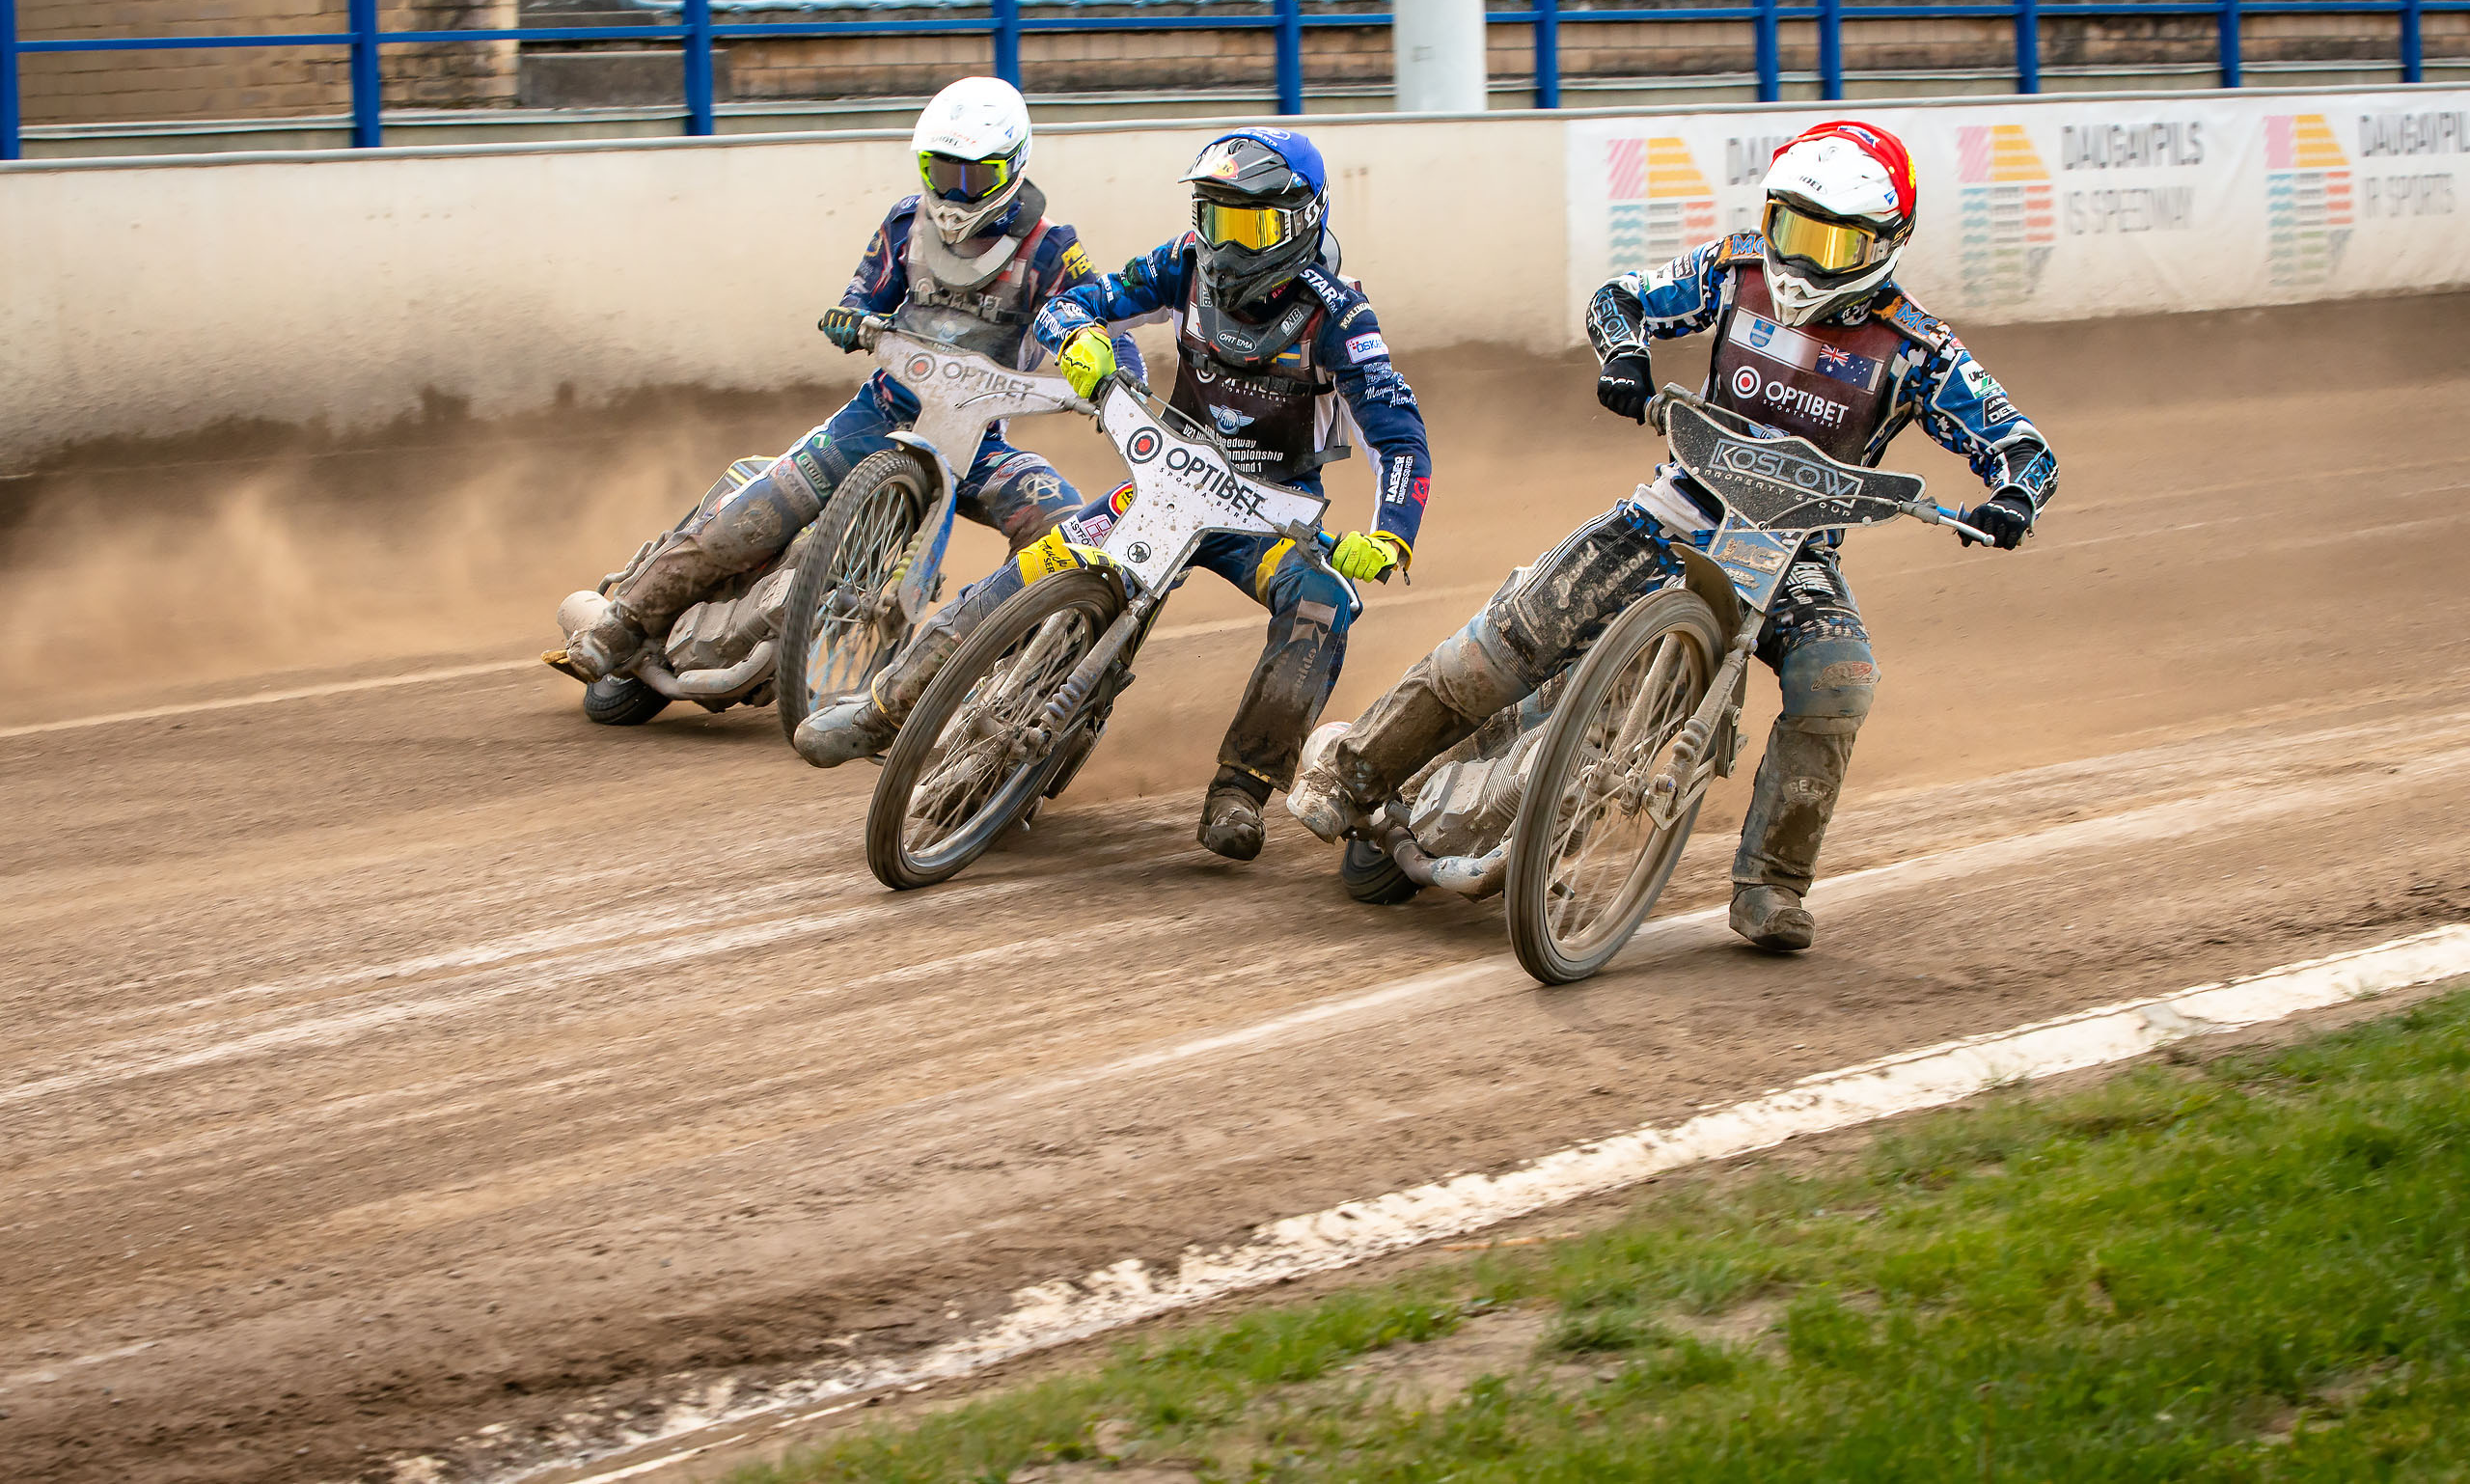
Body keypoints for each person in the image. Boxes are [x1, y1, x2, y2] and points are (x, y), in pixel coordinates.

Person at [1288, 119, 2059, 951]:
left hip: (1797, 558)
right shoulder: (1733, 271)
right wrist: (1624, 356)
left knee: (1841, 678)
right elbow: (1617, 299)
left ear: (1887, 243)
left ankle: (1772, 884)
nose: (1804, 259)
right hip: (1673, 510)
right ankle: (1355, 769)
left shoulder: (1916, 348)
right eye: (1793, 229)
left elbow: (2025, 447)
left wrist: (2013, 497)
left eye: (1835, 243)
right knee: (1506, 639)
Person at [797, 126, 1435, 862]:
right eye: (1213, 218)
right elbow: (1078, 302)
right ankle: (887, 706)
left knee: (1323, 605)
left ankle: (1242, 785)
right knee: (1033, 565)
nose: (1223, 244)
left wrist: (1390, 533)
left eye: (1247, 224)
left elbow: (1402, 438)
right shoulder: (1183, 262)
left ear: (1301, 220)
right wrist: (1078, 338)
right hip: (1169, 481)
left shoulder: (1341, 317)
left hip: (1269, 516)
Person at [554, 76, 1142, 690]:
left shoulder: (1052, 249)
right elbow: (863, 292)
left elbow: (1098, 317)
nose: (953, 191)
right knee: (746, 519)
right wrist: (850, 315)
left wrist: (1118, 382)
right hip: (876, 417)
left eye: (972, 177)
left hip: (979, 442)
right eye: (940, 171)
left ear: (1013, 165)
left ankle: (1018, 674)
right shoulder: (906, 222)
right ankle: (619, 626)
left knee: (1067, 524)